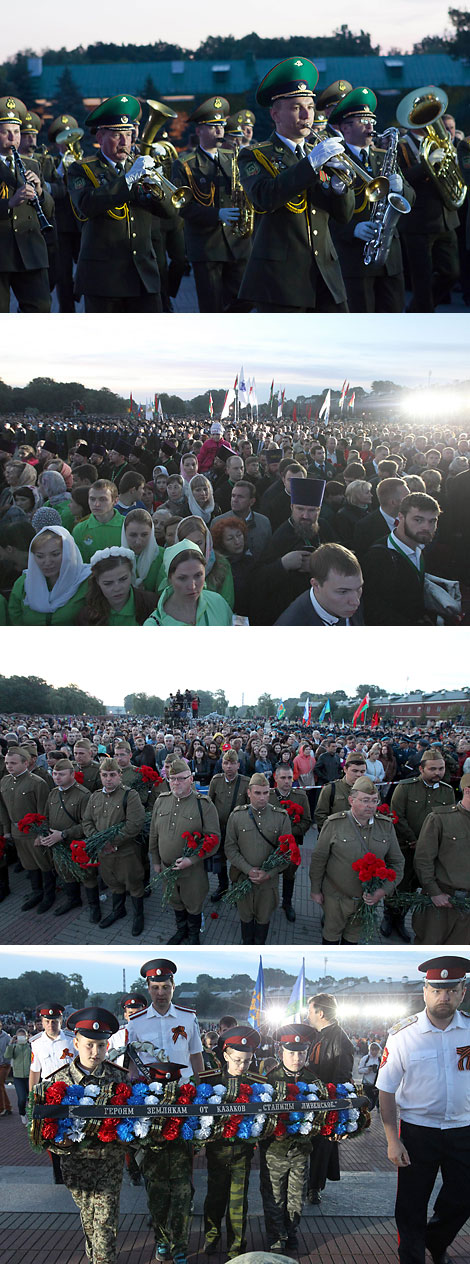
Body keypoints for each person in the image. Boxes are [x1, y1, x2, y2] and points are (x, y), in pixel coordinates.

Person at [237, 57, 355, 311]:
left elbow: (344, 216)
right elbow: (263, 197)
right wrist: (311, 164)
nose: (306, 115)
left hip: (326, 274)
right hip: (280, 281)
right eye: (296, 108)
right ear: (274, 113)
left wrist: (339, 188)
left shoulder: (319, 153)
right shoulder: (255, 154)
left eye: (311, 107)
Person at [376, 955, 470, 1264]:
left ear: (463, 991)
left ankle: (437, 1239)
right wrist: (392, 1139)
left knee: (463, 1198)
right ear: (425, 991)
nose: (444, 997)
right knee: (411, 1205)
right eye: (437, 990)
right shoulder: (404, 1034)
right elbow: (386, 1089)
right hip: (418, 1131)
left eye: (451, 990)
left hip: (463, 1129)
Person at [67, 95, 177, 312]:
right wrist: (127, 180)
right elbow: (87, 205)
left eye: (128, 134)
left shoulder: (140, 166)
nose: (126, 142)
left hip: (143, 276)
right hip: (104, 279)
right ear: (100, 136)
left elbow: (170, 213)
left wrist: (158, 188)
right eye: (117, 135)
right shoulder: (81, 169)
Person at [36, 1006, 128, 1262]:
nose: (95, 1052)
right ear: (75, 1043)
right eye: (89, 1045)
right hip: (76, 1165)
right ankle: (95, 1255)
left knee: (106, 1220)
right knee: (90, 1220)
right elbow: (44, 1132)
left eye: (101, 1045)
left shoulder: (119, 1080)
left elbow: (132, 1120)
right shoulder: (59, 1082)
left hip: (109, 1162)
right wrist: (60, 1145)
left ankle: (103, 1260)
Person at [328, 87, 413, 312]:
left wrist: (402, 186)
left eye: (371, 121)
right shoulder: (333, 160)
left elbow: (411, 199)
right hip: (354, 258)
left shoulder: (385, 157)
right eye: (362, 121)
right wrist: (351, 229)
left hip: (390, 259)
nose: (370, 126)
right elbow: (323, 208)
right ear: (344, 127)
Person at [171, 96, 251, 312]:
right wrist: (217, 214)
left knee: (245, 302)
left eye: (222, 126)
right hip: (207, 248)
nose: (219, 131)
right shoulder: (184, 164)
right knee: (212, 308)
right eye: (213, 127)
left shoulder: (234, 157)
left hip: (238, 245)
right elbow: (183, 207)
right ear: (199, 131)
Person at [309, 776, 404, 943]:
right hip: (335, 897)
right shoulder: (334, 823)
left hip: (365, 901)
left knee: (352, 941)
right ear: (351, 800)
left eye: (374, 801)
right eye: (365, 800)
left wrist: (382, 891)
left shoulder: (386, 826)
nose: (370, 805)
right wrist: (315, 890)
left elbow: (397, 863)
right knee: (330, 937)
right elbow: (319, 859)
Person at [201, 1025, 264, 1259]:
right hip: (216, 1153)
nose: (242, 1066)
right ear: (225, 1055)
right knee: (215, 1198)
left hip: (242, 1153)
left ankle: (236, 1246)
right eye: (237, 1060)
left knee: (238, 1202)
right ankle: (211, 1237)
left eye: (247, 1061)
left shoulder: (257, 1083)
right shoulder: (209, 1081)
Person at [381, 748, 455, 942]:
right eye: (433, 769)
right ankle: (388, 918)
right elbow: (397, 816)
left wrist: (429, 846)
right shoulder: (405, 787)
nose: (437, 773)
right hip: (405, 848)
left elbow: (447, 821)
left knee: (414, 886)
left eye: (440, 769)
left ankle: (400, 920)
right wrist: (414, 840)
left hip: (429, 853)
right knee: (398, 884)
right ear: (422, 769)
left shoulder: (447, 791)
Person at [259, 1022, 320, 1249]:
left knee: (296, 1198)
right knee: (274, 1197)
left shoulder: (314, 1081)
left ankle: (291, 1231)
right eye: (291, 1052)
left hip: (301, 1152)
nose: (297, 1058)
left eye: (302, 1053)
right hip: (274, 1151)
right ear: (281, 1051)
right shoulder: (268, 1080)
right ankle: (275, 1236)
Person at [149, 758, 220, 943]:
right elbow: (154, 834)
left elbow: (214, 839)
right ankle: (181, 931)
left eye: (181, 778)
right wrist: (156, 860)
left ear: (191, 778)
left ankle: (193, 934)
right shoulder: (161, 801)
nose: (176, 782)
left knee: (193, 904)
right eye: (172, 778)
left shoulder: (203, 804)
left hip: (192, 872)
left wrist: (193, 859)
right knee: (175, 902)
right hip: (166, 869)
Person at [0, 95, 54, 313]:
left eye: (17, 132)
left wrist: (40, 192)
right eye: (6, 131)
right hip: (1, 251)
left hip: (30, 250)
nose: (13, 137)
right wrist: (9, 203)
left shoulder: (32, 163)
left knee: (40, 309)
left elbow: (49, 211)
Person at [224, 772, 291, 943]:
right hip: (243, 879)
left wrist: (268, 873)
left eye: (266, 793)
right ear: (249, 792)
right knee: (245, 917)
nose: (262, 797)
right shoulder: (237, 816)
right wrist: (248, 869)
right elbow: (230, 848)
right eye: (257, 793)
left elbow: (287, 853)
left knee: (263, 918)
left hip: (268, 884)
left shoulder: (281, 817)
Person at [82, 757, 146, 936]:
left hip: (126, 852)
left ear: (120, 775)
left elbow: (135, 823)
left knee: (133, 883)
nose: (108, 779)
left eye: (112, 775)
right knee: (113, 883)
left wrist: (113, 842)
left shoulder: (129, 795)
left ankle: (138, 915)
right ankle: (118, 910)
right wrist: (99, 841)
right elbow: (87, 821)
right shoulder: (95, 796)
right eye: (104, 775)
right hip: (104, 852)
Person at [362, 492, 441, 624]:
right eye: (418, 520)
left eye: (432, 521)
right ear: (401, 517)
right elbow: (375, 611)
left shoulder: (420, 546)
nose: (426, 527)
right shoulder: (378, 557)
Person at [306, 992, 355, 1205]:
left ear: (321, 1013)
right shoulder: (317, 1035)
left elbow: (342, 1075)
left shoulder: (340, 1039)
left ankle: (314, 1187)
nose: (307, 1016)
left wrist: (329, 1099)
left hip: (325, 1101)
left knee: (322, 1144)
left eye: (310, 1011)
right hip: (309, 1098)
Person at [125, 958, 204, 1082]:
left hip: (183, 1088)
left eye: (165, 987)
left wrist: (201, 1086)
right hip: (148, 1089)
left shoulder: (188, 1017)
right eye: (155, 988)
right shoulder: (136, 1021)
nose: (160, 993)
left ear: (173, 987)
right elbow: (131, 1058)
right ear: (148, 989)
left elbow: (196, 1055)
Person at [413, 772, 470, 944]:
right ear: (467, 791)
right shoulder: (440, 819)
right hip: (442, 900)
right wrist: (434, 892)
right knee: (430, 943)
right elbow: (423, 859)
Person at [38, 756, 92, 917]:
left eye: (61, 774)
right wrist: (44, 834)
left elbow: (86, 824)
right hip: (57, 843)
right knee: (64, 872)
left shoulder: (83, 795)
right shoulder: (53, 793)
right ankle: (73, 899)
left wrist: (64, 834)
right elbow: (46, 816)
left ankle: (94, 906)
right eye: (54, 774)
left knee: (87, 875)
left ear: (72, 774)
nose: (56, 777)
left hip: (76, 843)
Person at [0, 744, 50, 911]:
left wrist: (41, 834)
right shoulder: (5, 781)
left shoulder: (37, 783)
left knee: (43, 864)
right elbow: (4, 809)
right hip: (17, 832)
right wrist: (7, 831)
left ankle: (48, 895)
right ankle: (37, 892)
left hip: (34, 833)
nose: (9, 766)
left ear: (26, 763)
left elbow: (43, 811)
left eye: (13, 763)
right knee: (28, 864)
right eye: (7, 763)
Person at [8, 525, 90, 625]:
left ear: (69, 553)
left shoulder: (87, 582)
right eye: (40, 556)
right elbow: (15, 620)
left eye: (55, 554)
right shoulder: (24, 584)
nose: (47, 562)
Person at [144, 539, 233, 626]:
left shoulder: (218, 603)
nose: (192, 586)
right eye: (182, 578)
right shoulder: (155, 624)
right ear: (170, 578)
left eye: (198, 575)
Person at [275, 542, 364, 625]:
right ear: (316, 585)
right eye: (343, 592)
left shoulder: (351, 596)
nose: (356, 602)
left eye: (359, 588)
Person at [269, 763, 311, 921]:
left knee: (289, 875)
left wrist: (289, 833)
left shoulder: (300, 796)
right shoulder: (269, 796)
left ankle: (287, 903)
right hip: (271, 846)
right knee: (270, 874)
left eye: (289, 777)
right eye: (283, 778)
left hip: (291, 846)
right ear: (275, 778)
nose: (287, 781)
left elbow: (307, 821)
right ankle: (268, 902)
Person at [208, 748, 250, 901]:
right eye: (226, 763)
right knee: (219, 860)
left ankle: (236, 886)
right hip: (219, 828)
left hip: (238, 831)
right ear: (222, 765)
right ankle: (222, 886)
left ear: (238, 765)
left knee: (237, 859)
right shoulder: (216, 780)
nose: (229, 767)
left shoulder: (245, 782)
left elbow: (249, 809)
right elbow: (209, 804)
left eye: (232, 763)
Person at [80, 547, 156, 625]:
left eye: (123, 579)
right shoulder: (87, 616)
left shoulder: (152, 604)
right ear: (97, 582)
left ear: (131, 574)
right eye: (108, 583)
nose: (117, 588)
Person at [314, 751, 368, 831]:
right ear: (345, 769)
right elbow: (320, 816)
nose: (359, 775)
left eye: (362, 772)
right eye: (355, 771)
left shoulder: (369, 791)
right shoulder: (331, 789)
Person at [4, 1025, 31, 1121]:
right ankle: (22, 1114)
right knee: (22, 1099)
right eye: (19, 1037)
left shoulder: (30, 1046)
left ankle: (32, 1116)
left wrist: (32, 1041)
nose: (22, 1039)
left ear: (27, 1036)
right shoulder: (14, 1047)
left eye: (23, 1036)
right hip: (18, 1077)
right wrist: (11, 1043)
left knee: (32, 1098)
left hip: (30, 1076)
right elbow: (7, 1055)